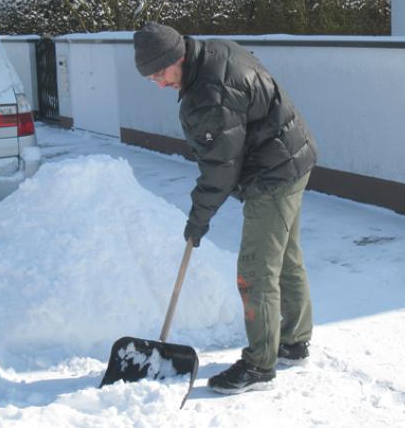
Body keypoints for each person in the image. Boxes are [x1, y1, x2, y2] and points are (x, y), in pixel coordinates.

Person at [133, 22, 318, 394]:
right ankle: (294, 342)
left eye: (159, 73)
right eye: (150, 77)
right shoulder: (211, 52)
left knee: (256, 270)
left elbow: (220, 169)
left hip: (273, 173)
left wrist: (197, 220)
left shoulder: (208, 96)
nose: (158, 82)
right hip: (293, 156)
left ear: (177, 57)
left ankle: (260, 366)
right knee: (285, 257)